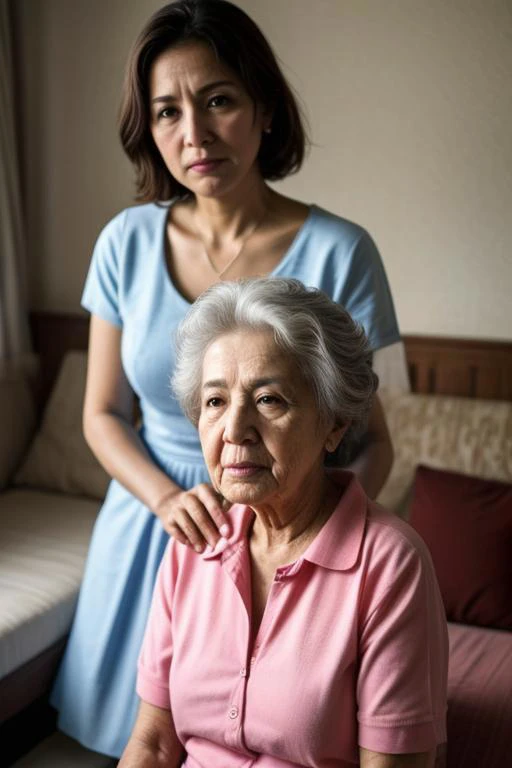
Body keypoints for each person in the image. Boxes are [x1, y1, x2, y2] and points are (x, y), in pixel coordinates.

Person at [51, 0, 403, 757]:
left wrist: (317, 545)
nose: (195, 134)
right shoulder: (123, 242)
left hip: (285, 521)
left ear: (265, 109)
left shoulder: (343, 252)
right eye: (167, 111)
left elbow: (374, 441)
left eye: (218, 101)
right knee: (129, 742)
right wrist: (170, 499)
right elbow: (102, 413)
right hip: (156, 522)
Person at [119, 277, 448, 768]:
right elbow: (155, 743)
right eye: (215, 402)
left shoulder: (390, 564)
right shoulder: (195, 542)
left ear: (334, 423)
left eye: (269, 399)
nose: (234, 430)